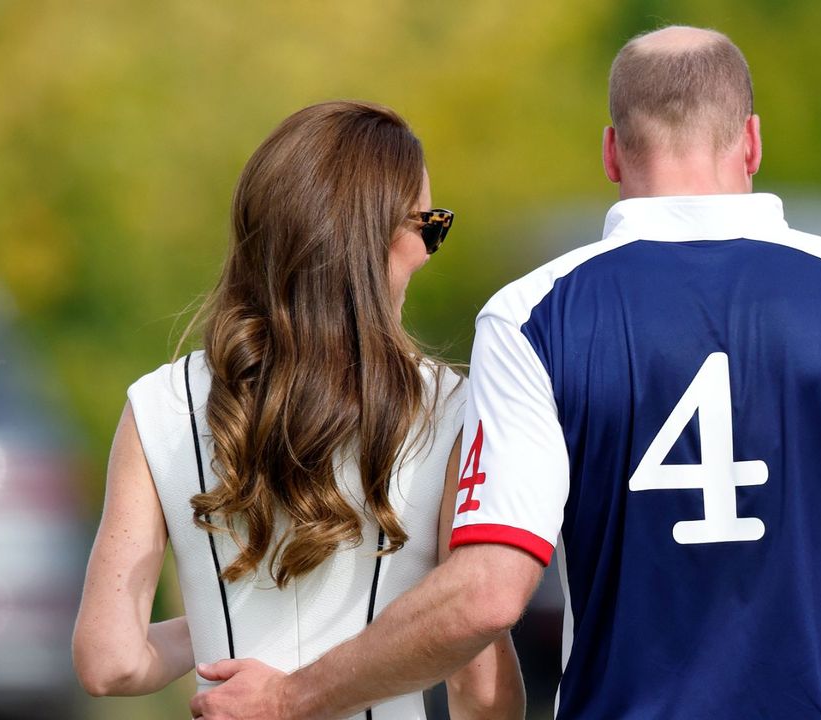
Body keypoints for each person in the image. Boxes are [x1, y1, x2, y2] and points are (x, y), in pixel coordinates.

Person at [190, 27, 821, 720]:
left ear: (613, 153)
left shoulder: (533, 314)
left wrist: (293, 697)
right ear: (753, 141)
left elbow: (486, 594)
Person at [71, 100, 524, 720]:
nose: (427, 251)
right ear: (377, 241)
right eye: (430, 226)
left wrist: (209, 630)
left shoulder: (158, 403)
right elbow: (481, 689)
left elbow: (109, 661)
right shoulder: (455, 409)